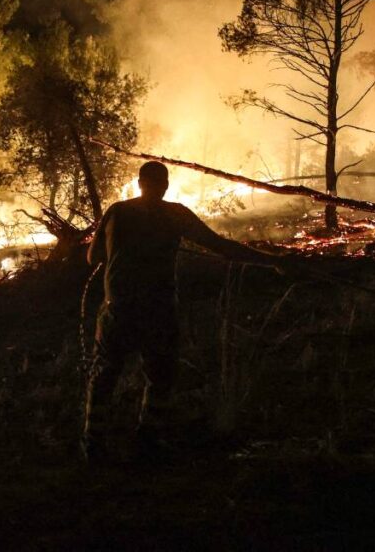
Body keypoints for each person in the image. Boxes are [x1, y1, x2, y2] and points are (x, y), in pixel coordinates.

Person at [82, 160, 285, 462]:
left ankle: (93, 445)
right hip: (157, 310)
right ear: (165, 185)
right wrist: (271, 260)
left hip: (118, 309)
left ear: (139, 183)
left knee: (104, 376)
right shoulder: (175, 215)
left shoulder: (117, 211)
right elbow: (221, 246)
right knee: (161, 377)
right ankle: (147, 439)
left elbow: (92, 257)